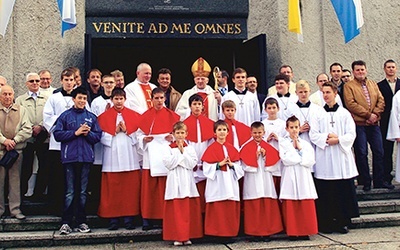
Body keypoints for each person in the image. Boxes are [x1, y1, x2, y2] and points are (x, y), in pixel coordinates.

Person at [309, 82, 359, 234]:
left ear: (335, 93)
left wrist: (338, 140)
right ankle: (327, 222)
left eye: (328, 92)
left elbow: (352, 134)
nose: (325, 95)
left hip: (340, 157)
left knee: (341, 190)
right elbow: (313, 134)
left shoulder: (344, 114)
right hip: (324, 157)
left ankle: (342, 221)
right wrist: (326, 138)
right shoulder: (317, 113)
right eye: (323, 92)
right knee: (326, 191)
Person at [53, 87, 101, 235]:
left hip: (86, 158)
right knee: (70, 191)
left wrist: (88, 134)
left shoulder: (92, 117)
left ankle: (82, 221)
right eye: (79, 98)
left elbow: (98, 137)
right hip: (70, 158)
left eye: (84, 99)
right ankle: (66, 222)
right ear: (73, 99)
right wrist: (75, 133)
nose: (82, 101)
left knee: (82, 192)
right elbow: (57, 134)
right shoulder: (65, 116)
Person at [343, 60, 393, 191]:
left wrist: (375, 114)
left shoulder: (372, 84)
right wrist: (367, 115)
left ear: (366, 70)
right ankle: (365, 182)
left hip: (374, 124)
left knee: (379, 151)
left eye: (362, 69)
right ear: (353, 72)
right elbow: (350, 103)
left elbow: (381, 100)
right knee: (361, 152)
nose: (360, 72)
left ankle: (379, 181)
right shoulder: (349, 86)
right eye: (358, 70)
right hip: (359, 124)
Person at [97, 88, 141, 230]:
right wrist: (113, 132)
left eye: (121, 98)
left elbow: (140, 136)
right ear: (111, 100)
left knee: (129, 189)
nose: (119, 101)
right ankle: (113, 219)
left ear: (125, 99)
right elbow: (99, 136)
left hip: (129, 157)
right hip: (112, 158)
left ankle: (129, 218)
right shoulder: (104, 116)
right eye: (116, 99)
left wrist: (127, 131)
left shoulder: (134, 115)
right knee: (113, 189)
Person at [137, 88, 180, 230]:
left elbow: (180, 134)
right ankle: (147, 218)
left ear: (165, 99)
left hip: (166, 156)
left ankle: (164, 216)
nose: (159, 101)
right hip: (151, 156)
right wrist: (144, 138)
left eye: (162, 98)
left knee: (165, 187)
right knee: (149, 188)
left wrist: (172, 137)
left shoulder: (172, 116)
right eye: (156, 98)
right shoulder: (145, 116)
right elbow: (138, 135)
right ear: (151, 99)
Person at [43, 68, 79, 214]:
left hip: (75, 143)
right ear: (61, 81)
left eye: (71, 80)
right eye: (66, 80)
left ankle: (73, 207)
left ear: (74, 81)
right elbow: (47, 117)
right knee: (57, 175)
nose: (69, 83)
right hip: (58, 143)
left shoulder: (79, 97)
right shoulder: (54, 97)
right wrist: (62, 121)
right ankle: (57, 207)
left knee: (73, 176)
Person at [201, 120, 244, 241]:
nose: (221, 132)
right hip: (217, 182)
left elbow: (240, 168)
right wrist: (219, 164)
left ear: (228, 132)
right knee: (218, 208)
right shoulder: (211, 149)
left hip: (230, 181)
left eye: (224, 130)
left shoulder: (232, 149)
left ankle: (229, 233)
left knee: (229, 208)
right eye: (219, 130)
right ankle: (216, 234)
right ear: (214, 133)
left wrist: (231, 165)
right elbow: (206, 168)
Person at [240, 121, 283, 241]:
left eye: (259, 132)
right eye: (255, 133)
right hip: (252, 179)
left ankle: (267, 232)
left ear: (264, 132)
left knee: (267, 205)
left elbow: (275, 165)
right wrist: (254, 156)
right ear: (251, 132)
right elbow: (243, 165)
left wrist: (265, 156)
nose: (257, 135)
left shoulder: (269, 146)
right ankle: (254, 232)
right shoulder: (245, 146)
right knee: (253, 205)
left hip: (265, 179)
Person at [162, 121, 203, 246]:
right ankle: (178, 236)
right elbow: (168, 164)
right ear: (173, 134)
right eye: (177, 133)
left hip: (187, 180)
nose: (180, 135)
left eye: (182, 133)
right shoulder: (168, 148)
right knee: (176, 210)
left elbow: (192, 164)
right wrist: (180, 155)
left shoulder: (189, 148)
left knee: (188, 210)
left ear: (186, 134)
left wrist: (182, 153)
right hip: (174, 180)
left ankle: (188, 236)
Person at [279, 115, 318, 240]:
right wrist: (298, 155)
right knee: (291, 203)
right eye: (291, 127)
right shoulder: (283, 143)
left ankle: (305, 231)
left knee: (304, 202)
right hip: (290, 175)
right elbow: (286, 159)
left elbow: (310, 160)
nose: (294, 130)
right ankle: (293, 231)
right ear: (287, 129)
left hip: (303, 176)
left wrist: (299, 149)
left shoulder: (305, 144)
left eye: (296, 127)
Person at [15, 73, 49, 200]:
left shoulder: (47, 98)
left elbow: (49, 115)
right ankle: (22, 195)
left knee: (44, 166)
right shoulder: (20, 100)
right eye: (31, 81)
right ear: (26, 83)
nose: (34, 83)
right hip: (27, 138)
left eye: (37, 81)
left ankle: (39, 194)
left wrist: (40, 126)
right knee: (26, 167)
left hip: (43, 137)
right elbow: (18, 117)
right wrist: (30, 128)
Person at [0, 85, 31, 220]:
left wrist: (14, 140)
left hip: (16, 151)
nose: (7, 97)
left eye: (10, 94)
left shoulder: (21, 110)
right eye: (4, 94)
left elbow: (27, 128)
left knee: (15, 181)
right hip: (0, 151)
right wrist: (4, 141)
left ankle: (15, 209)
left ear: (13, 95)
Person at [182, 94, 215, 213]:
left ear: (203, 107)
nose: (197, 107)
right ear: (190, 106)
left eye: (199, 104)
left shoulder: (210, 123)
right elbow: (183, 144)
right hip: (191, 160)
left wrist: (207, 160)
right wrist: (191, 161)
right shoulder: (184, 125)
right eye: (194, 104)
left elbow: (211, 144)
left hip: (204, 158)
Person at [377, 59, 400, 186]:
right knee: (387, 149)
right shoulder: (379, 85)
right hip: (385, 121)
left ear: (396, 69)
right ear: (384, 69)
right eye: (388, 67)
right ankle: (387, 175)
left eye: (393, 67)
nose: (391, 69)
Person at [261, 97, 287, 194]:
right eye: (269, 108)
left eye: (274, 107)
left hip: (280, 157)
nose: (272, 110)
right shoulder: (263, 124)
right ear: (265, 110)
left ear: (278, 109)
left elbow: (288, 140)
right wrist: (266, 140)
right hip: (267, 157)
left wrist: (278, 139)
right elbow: (258, 139)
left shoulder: (283, 124)